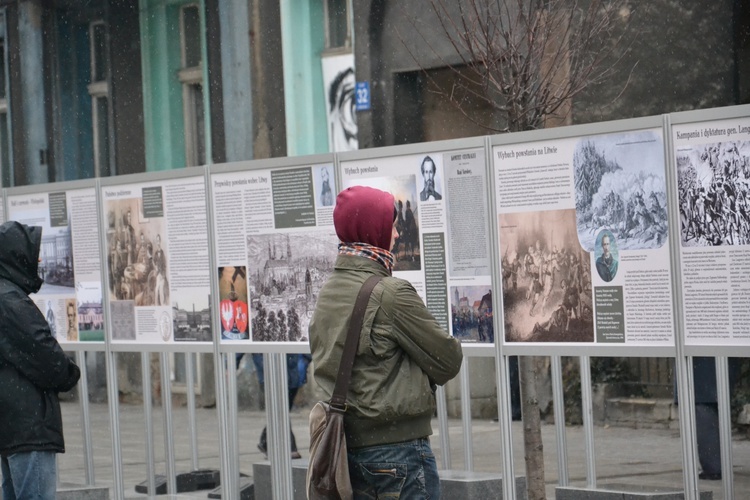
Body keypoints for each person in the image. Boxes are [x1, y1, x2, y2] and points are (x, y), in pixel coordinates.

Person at [309, 185, 462, 498]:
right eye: (390, 225)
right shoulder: (392, 294)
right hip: (398, 454)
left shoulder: (328, 292)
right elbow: (448, 360)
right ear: (373, 229)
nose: (395, 234)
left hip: (346, 450)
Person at [0, 221, 81, 500]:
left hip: (12, 423)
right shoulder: (10, 301)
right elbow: (44, 354)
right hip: (28, 425)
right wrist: (69, 373)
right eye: (33, 253)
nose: (39, 260)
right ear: (16, 255)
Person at [249, 352, 311, 459]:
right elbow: (241, 338)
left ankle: (265, 441)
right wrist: (229, 364)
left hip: (292, 377)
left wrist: (305, 361)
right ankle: (290, 447)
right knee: (280, 412)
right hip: (269, 375)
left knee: (281, 412)